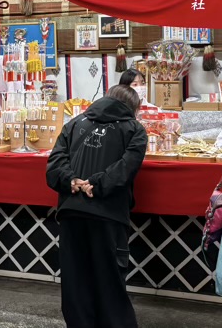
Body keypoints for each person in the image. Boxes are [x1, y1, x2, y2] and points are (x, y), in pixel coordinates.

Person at [46, 84, 148, 328]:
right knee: (110, 284)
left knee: (75, 284)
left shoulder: (74, 123)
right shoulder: (135, 130)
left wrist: (72, 180)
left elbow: (54, 165)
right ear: (134, 108)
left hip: (71, 213)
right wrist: (97, 184)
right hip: (108, 216)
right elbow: (126, 169)